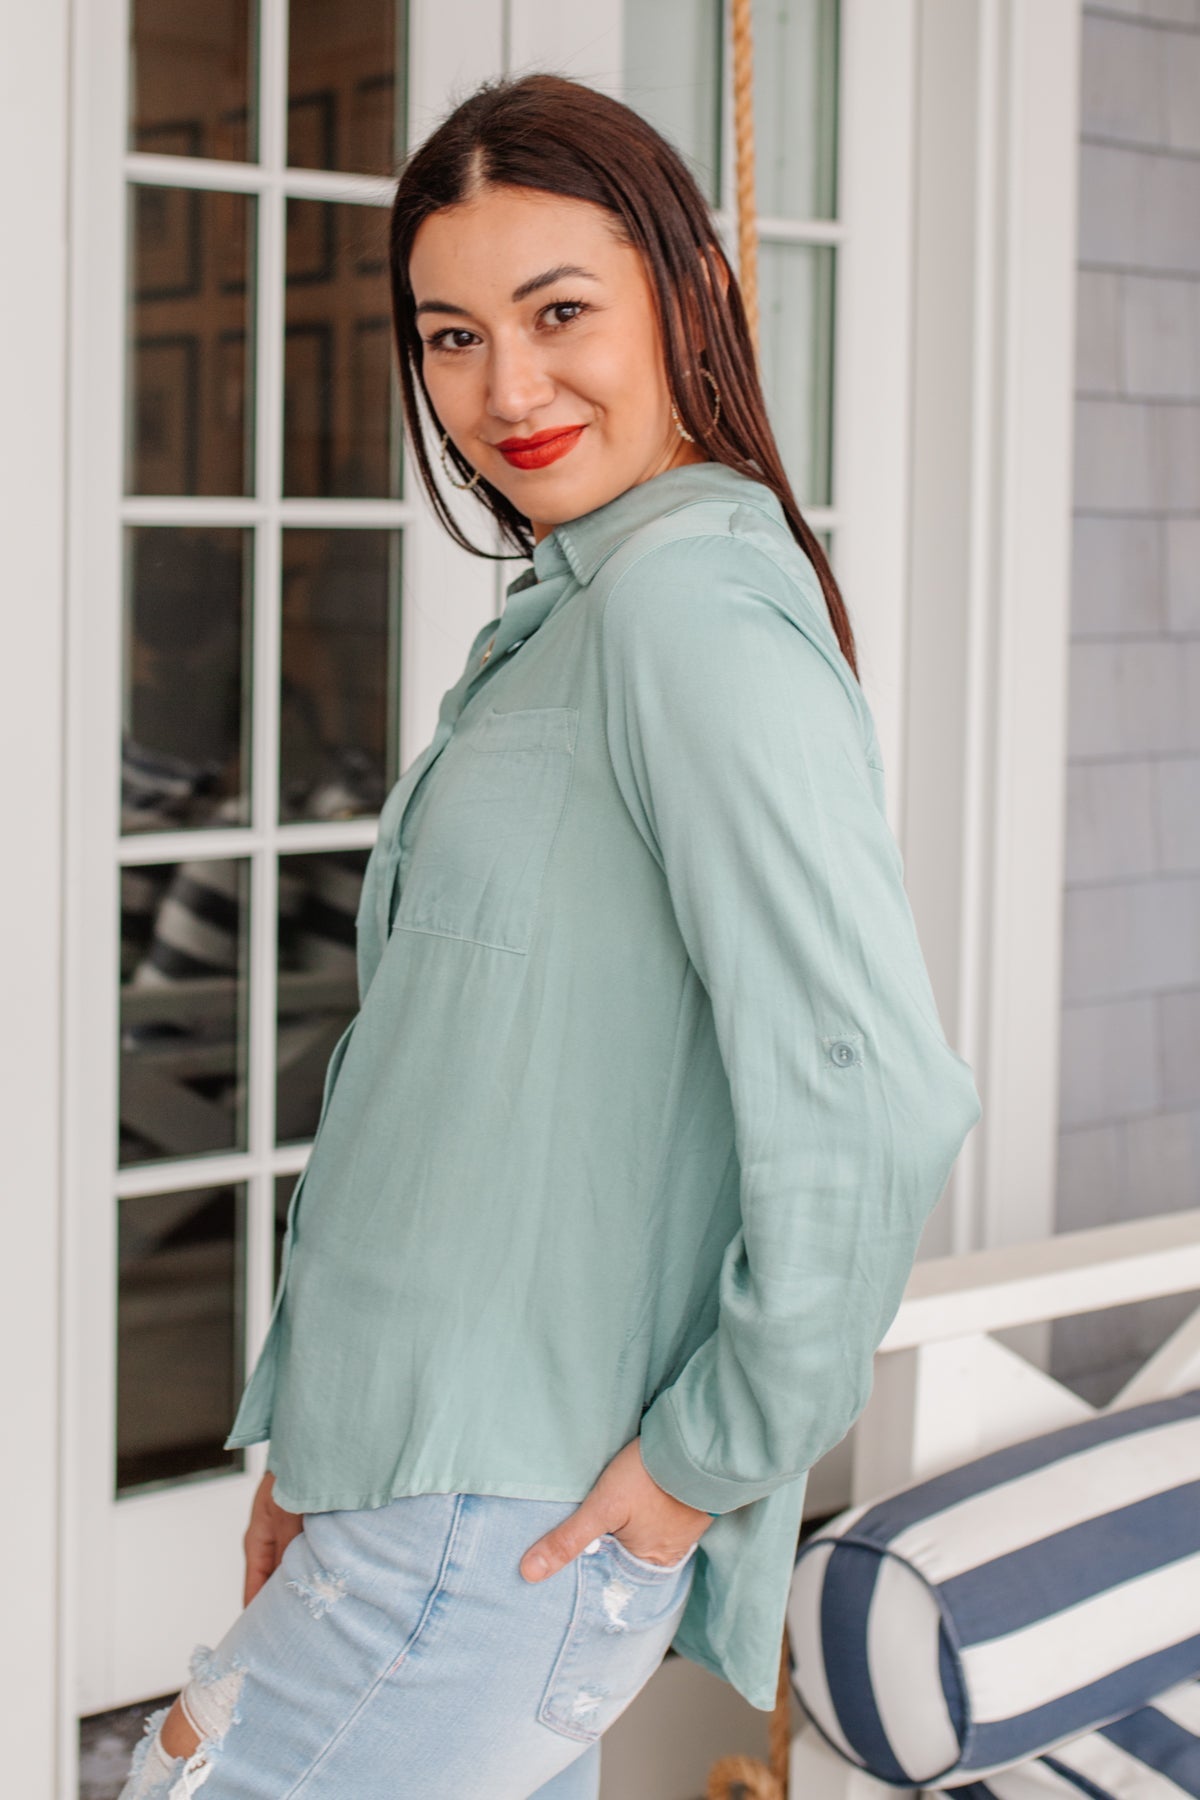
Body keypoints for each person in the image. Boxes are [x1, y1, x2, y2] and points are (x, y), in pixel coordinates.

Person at [118, 70, 983, 1800]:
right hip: (418, 1482)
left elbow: (871, 1096)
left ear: (693, 294)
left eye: (560, 312)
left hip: (496, 1512)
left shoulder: (686, 613)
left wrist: (701, 1465)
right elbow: (450, 1104)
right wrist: (319, 1457)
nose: (506, 389)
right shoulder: (579, 610)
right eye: (452, 336)